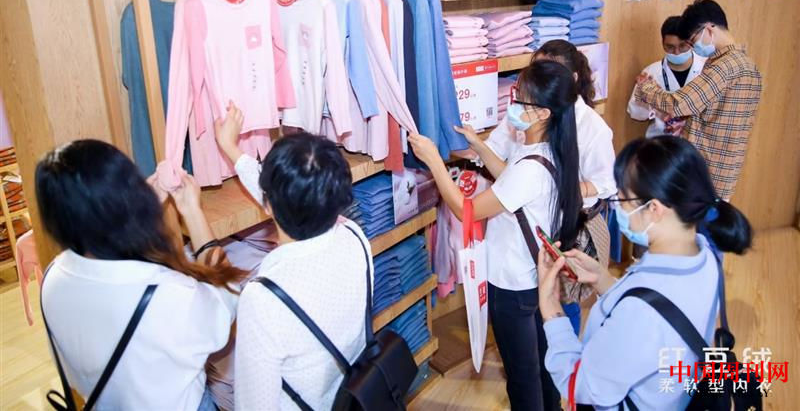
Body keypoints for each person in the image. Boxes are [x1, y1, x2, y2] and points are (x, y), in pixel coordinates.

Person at [410, 59, 583, 411]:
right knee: (541, 363)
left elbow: (467, 210)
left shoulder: (531, 166)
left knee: (522, 375)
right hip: (532, 276)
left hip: (511, 284)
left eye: (520, 100)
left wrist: (435, 162)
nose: (513, 105)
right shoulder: (548, 151)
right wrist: (479, 145)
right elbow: (510, 181)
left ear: (543, 114)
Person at [537, 135, 752, 409]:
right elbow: (662, 311)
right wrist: (603, 280)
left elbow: (584, 386)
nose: (618, 207)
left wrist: (551, 310)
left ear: (654, 209)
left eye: (623, 199)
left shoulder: (640, 313)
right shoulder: (705, 256)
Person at [37, 139, 245, 410]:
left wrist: (132, 213)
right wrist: (193, 212)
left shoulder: (52, 278)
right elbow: (227, 300)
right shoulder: (162, 294)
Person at [214, 104, 373, 411]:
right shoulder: (355, 238)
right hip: (351, 400)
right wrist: (233, 151)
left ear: (268, 204)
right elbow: (298, 196)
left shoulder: (263, 298)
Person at [486, 40, 615, 337]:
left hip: (574, 223)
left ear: (571, 79)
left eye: (549, 69)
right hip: (536, 221)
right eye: (537, 68)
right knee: (541, 298)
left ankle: (566, 356)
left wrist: (561, 188)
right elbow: (498, 148)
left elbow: (607, 183)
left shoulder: (592, 127)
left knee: (566, 297)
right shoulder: (527, 109)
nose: (541, 76)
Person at [634, 0, 763, 201]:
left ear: (709, 29)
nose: (694, 48)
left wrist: (646, 87)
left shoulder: (725, 67)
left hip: (706, 173)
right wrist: (687, 124)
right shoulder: (745, 64)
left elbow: (679, 104)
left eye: (693, 41)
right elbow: (715, 115)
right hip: (720, 172)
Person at [627, 16, 706, 138]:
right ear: (663, 44)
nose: (677, 52)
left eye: (682, 46)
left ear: (691, 42)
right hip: (662, 140)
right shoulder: (651, 72)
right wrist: (652, 105)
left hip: (697, 141)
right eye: (670, 47)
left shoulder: (707, 68)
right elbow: (635, 113)